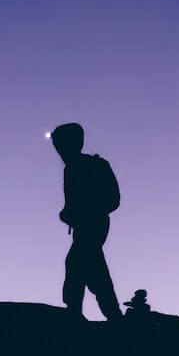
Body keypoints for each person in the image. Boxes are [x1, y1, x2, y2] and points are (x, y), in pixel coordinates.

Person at [50, 122, 121, 321]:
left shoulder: (95, 165)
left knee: (79, 263)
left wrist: (88, 211)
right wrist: (68, 214)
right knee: (88, 265)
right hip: (84, 226)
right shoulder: (70, 169)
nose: (59, 151)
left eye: (61, 145)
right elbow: (72, 203)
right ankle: (109, 314)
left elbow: (113, 199)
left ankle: (83, 312)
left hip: (95, 224)